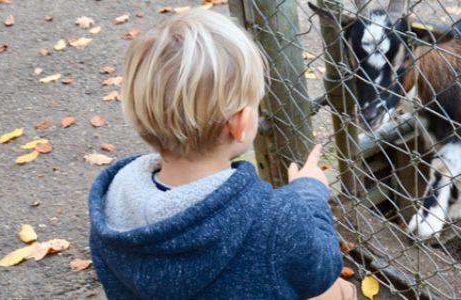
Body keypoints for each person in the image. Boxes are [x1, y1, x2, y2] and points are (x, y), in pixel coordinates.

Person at [86, 9, 355, 300]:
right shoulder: (276, 220)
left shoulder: (111, 202)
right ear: (239, 123)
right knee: (338, 290)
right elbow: (323, 268)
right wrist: (309, 193)